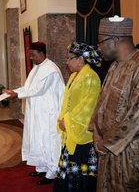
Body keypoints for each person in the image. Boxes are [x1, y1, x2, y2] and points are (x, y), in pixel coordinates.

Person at [89, 16, 139, 191]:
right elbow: (102, 101)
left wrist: (105, 142)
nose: (99, 48)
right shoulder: (116, 65)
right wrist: (97, 132)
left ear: (114, 41)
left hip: (131, 153)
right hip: (108, 148)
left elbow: (138, 118)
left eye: (100, 43)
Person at [5, 42, 65, 185]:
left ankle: (52, 172)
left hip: (49, 113)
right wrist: (15, 91)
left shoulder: (50, 70)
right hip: (38, 112)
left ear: (42, 53)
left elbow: (38, 89)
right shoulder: (37, 68)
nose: (31, 57)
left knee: (49, 140)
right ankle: (42, 167)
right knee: (38, 138)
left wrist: (16, 95)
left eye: (33, 54)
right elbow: (28, 87)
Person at [53, 42, 102, 192]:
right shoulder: (75, 75)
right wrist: (62, 120)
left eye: (70, 58)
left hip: (82, 134)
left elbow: (88, 107)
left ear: (81, 59)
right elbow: (67, 102)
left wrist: (67, 122)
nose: (67, 62)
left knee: (81, 176)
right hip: (71, 130)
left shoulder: (91, 78)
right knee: (67, 172)